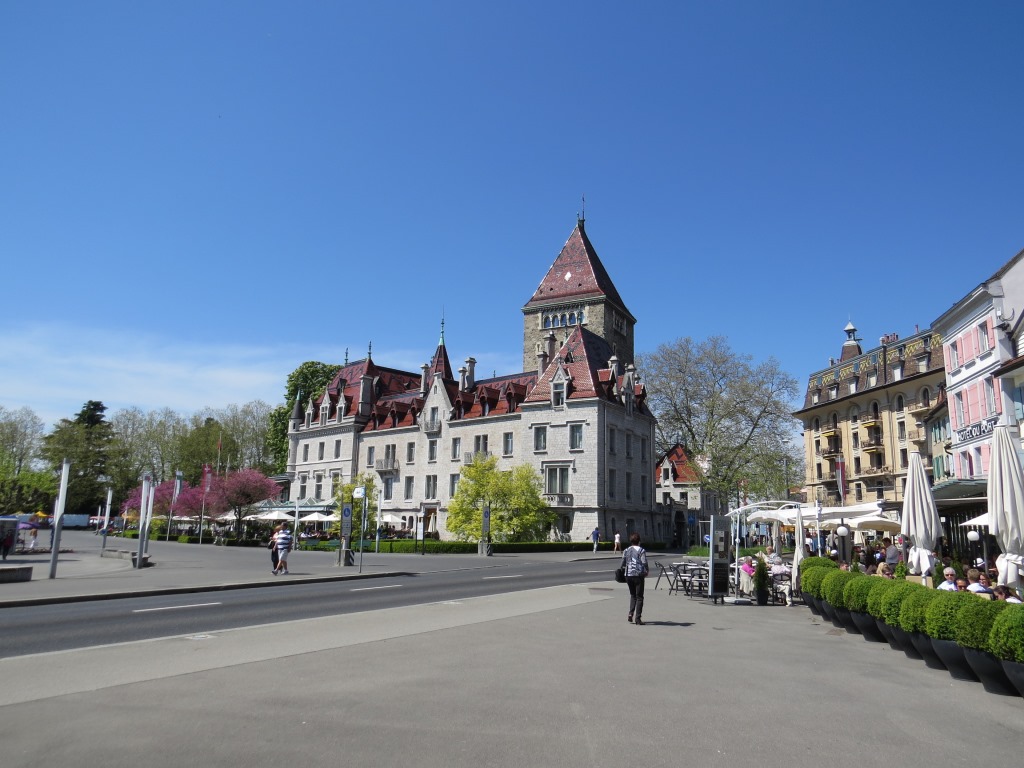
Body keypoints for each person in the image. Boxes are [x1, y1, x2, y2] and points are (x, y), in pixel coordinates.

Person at [620, 532, 648, 625]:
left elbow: (622, 563)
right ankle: (638, 618)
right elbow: (644, 562)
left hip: (628, 575)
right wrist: (647, 570)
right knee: (639, 597)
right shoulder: (641, 550)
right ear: (639, 541)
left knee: (633, 595)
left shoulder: (626, 550)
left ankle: (630, 613)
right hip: (638, 575)